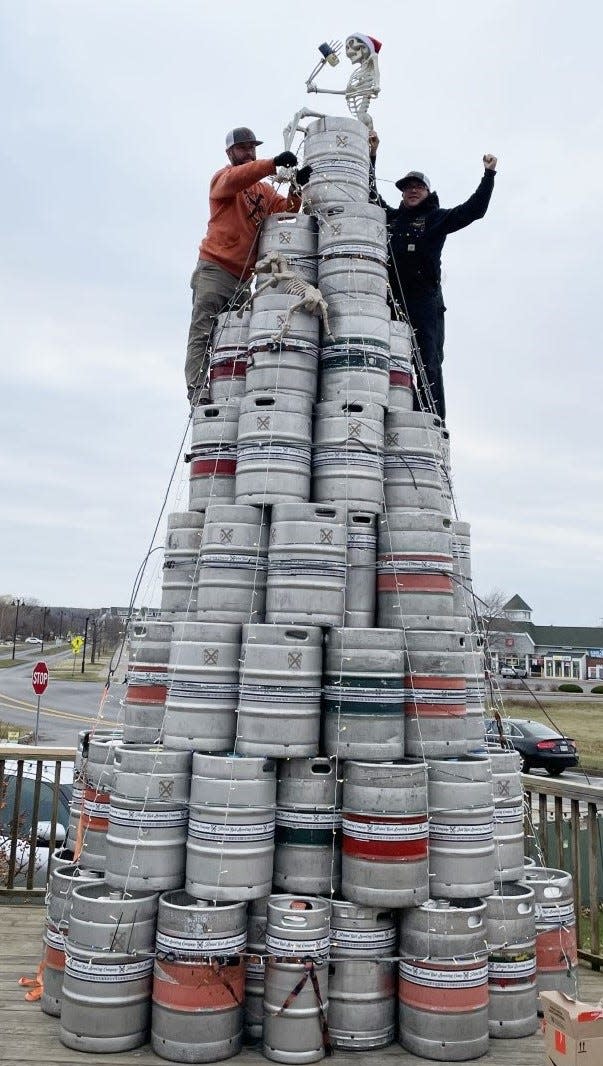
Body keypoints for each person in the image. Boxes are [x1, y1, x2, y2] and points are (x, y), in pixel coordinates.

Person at [369, 131, 497, 422]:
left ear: (427, 192)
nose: (412, 191)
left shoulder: (436, 219)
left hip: (425, 302)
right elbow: (370, 195)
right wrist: (373, 156)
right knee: (391, 360)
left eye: (418, 187)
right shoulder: (392, 218)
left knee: (427, 363)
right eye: (407, 188)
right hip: (392, 302)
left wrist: (488, 175)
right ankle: (398, 414)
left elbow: (474, 210)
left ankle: (432, 423)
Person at [185, 127, 311, 405]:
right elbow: (238, 178)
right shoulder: (223, 179)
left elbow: (285, 211)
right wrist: (271, 164)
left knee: (235, 337)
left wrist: (297, 188)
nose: (249, 153)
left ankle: (228, 392)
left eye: (252, 147)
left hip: (242, 278)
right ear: (229, 152)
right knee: (203, 333)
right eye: (243, 148)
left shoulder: (262, 190)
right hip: (215, 269)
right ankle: (197, 391)